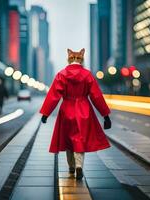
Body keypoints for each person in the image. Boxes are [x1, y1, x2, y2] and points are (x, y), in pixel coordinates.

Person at [40, 48, 112, 180]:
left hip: (66, 109)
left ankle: (71, 167)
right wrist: (105, 115)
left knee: (68, 140)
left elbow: (53, 96)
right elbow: (96, 96)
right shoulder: (87, 75)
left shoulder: (61, 74)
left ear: (69, 58)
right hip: (84, 109)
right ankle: (79, 166)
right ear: (82, 58)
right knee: (79, 139)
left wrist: (45, 114)